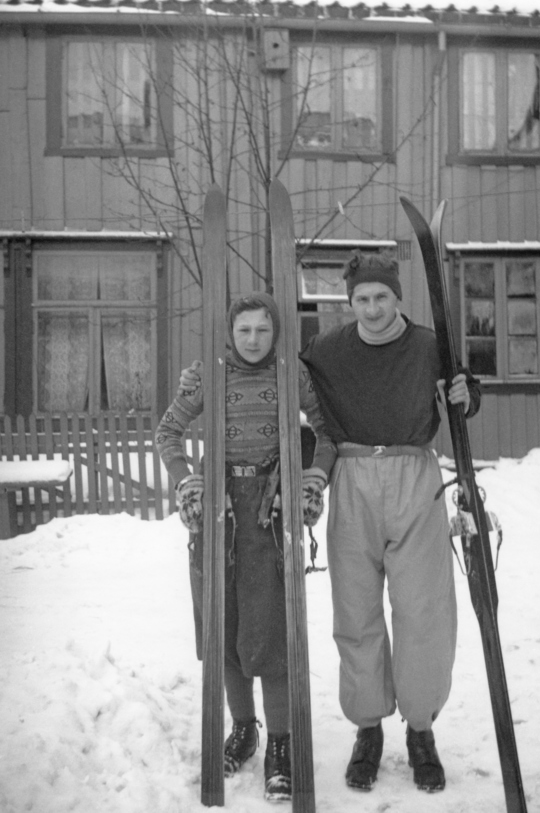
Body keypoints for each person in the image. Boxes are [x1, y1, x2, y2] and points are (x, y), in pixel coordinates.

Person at [299, 250, 481, 794]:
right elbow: (289, 386)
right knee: (355, 612)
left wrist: (467, 393)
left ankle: (421, 729)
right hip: (352, 477)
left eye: (381, 297)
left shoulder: (430, 345)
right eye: (362, 299)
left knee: (424, 610)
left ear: (397, 297)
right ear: (349, 301)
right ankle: (369, 728)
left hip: (414, 477)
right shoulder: (327, 350)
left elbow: (463, 396)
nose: (372, 308)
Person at [155, 291, 336, 803]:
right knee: (224, 624)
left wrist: (312, 478)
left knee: (271, 628)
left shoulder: (289, 376)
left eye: (262, 330)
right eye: (243, 331)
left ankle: (280, 743)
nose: (253, 340)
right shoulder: (208, 376)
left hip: (269, 509)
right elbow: (169, 431)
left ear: (276, 333)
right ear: (230, 334)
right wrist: (187, 480)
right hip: (220, 508)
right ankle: (244, 728)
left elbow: (327, 431)